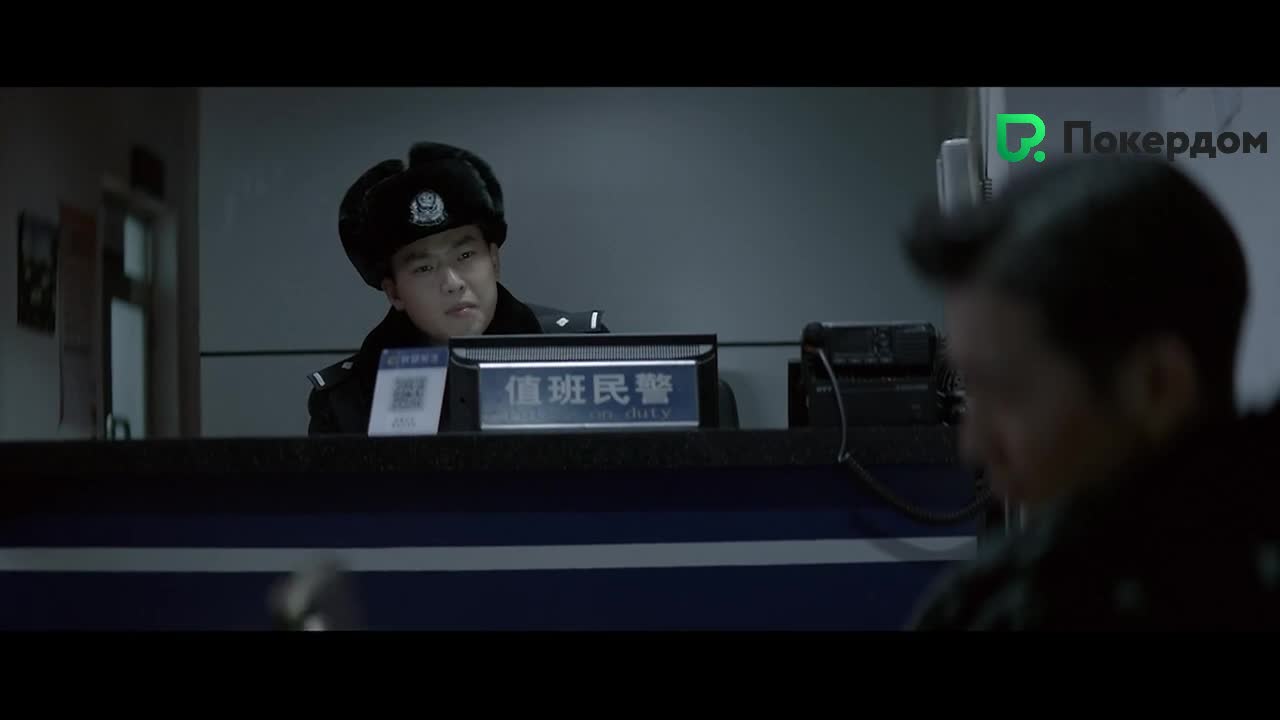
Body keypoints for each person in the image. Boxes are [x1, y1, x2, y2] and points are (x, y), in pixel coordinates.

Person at [901, 155, 1280, 629]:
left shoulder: (1015, 611)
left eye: (1005, 391)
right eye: (970, 391)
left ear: (1158, 386)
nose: (973, 445)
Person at [307, 142, 607, 435]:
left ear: (494, 260)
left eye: (465, 256)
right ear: (394, 292)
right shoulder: (348, 400)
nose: (452, 283)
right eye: (424, 268)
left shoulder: (580, 352)